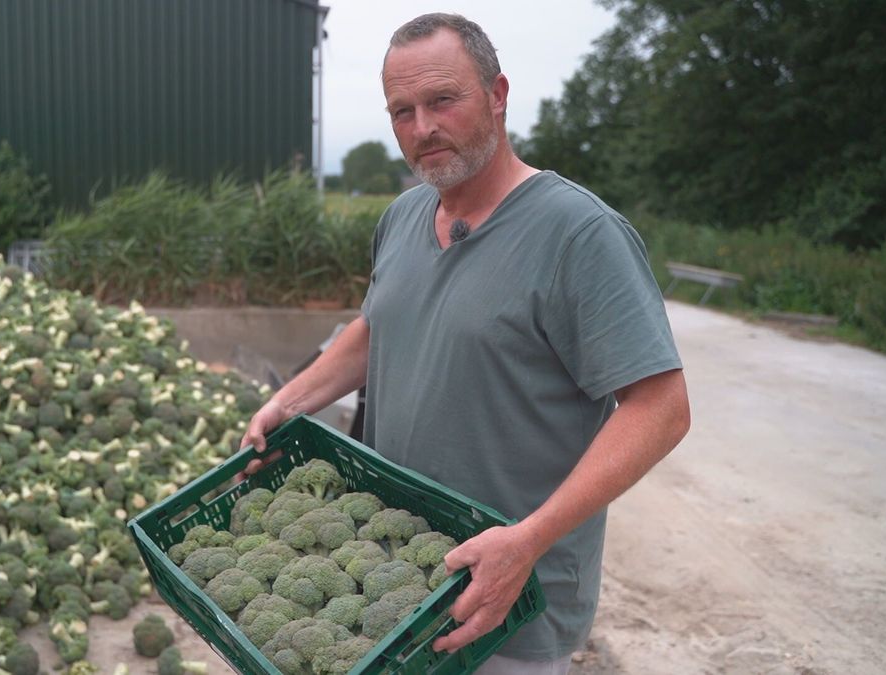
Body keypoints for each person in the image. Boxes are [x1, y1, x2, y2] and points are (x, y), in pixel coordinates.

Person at [240, 12, 690, 675]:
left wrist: (527, 540)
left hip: (502, 601)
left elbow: (662, 407)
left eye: (442, 100)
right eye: (402, 111)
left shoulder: (579, 234)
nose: (422, 128)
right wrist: (292, 399)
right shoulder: (402, 217)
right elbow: (378, 326)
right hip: (396, 576)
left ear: (498, 95)